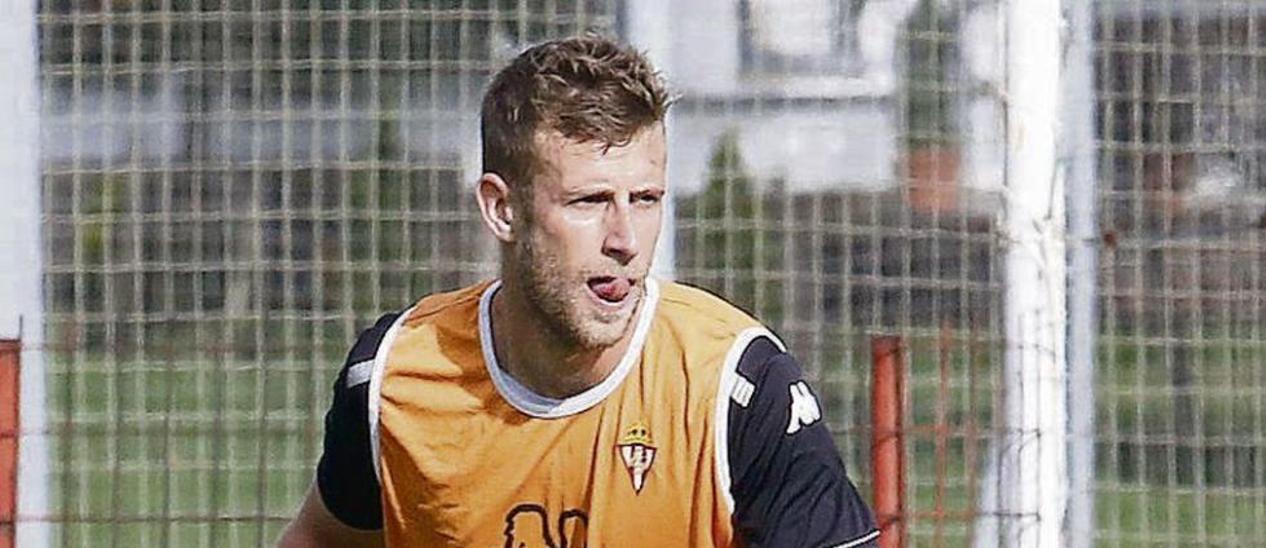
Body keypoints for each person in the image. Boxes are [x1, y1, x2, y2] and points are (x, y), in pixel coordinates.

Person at [279, 34, 879, 548]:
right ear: (502, 209)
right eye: (590, 201)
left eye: (644, 200)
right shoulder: (394, 377)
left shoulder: (738, 387)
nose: (625, 239)